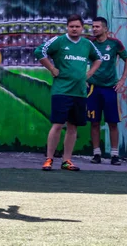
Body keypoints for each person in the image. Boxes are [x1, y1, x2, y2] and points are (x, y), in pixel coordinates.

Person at [35, 14, 102, 171]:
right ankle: (49, 159)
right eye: (71, 26)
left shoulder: (87, 44)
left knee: (73, 127)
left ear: (82, 28)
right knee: (57, 125)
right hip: (61, 91)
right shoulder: (59, 41)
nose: (74, 29)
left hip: (79, 92)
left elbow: (98, 59)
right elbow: (39, 51)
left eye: (77, 26)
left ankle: (67, 160)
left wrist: (90, 74)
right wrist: (51, 68)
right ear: (67, 27)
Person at [87, 17, 127, 166]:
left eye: (97, 26)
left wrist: (123, 79)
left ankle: (114, 155)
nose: (94, 29)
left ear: (105, 29)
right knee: (94, 122)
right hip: (93, 88)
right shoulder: (90, 44)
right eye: (93, 26)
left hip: (110, 88)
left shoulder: (114, 43)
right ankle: (96, 153)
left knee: (113, 122)